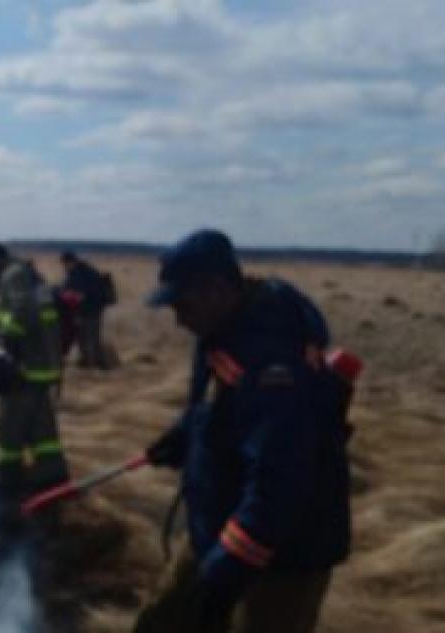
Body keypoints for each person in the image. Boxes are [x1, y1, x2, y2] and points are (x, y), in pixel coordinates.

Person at [135, 229, 351, 633]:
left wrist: (223, 579)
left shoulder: (272, 364)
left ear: (216, 289)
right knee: (161, 623)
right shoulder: (221, 333)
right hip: (219, 525)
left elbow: (278, 484)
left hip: (283, 553)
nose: (177, 319)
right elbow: (219, 408)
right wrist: (185, 435)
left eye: (181, 303)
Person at [0, 239, 70, 499]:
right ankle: (53, 477)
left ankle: (7, 480)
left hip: (25, 368)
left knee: (8, 426)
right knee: (42, 429)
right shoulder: (28, 273)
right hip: (42, 366)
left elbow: (23, 314)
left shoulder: (13, 275)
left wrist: (4, 346)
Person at [60, 250, 112, 369]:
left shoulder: (81, 274)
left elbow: (80, 294)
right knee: (85, 336)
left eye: (64, 264)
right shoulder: (83, 271)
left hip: (90, 309)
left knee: (89, 337)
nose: (64, 267)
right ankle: (90, 361)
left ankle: (95, 364)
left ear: (69, 262)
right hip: (91, 309)